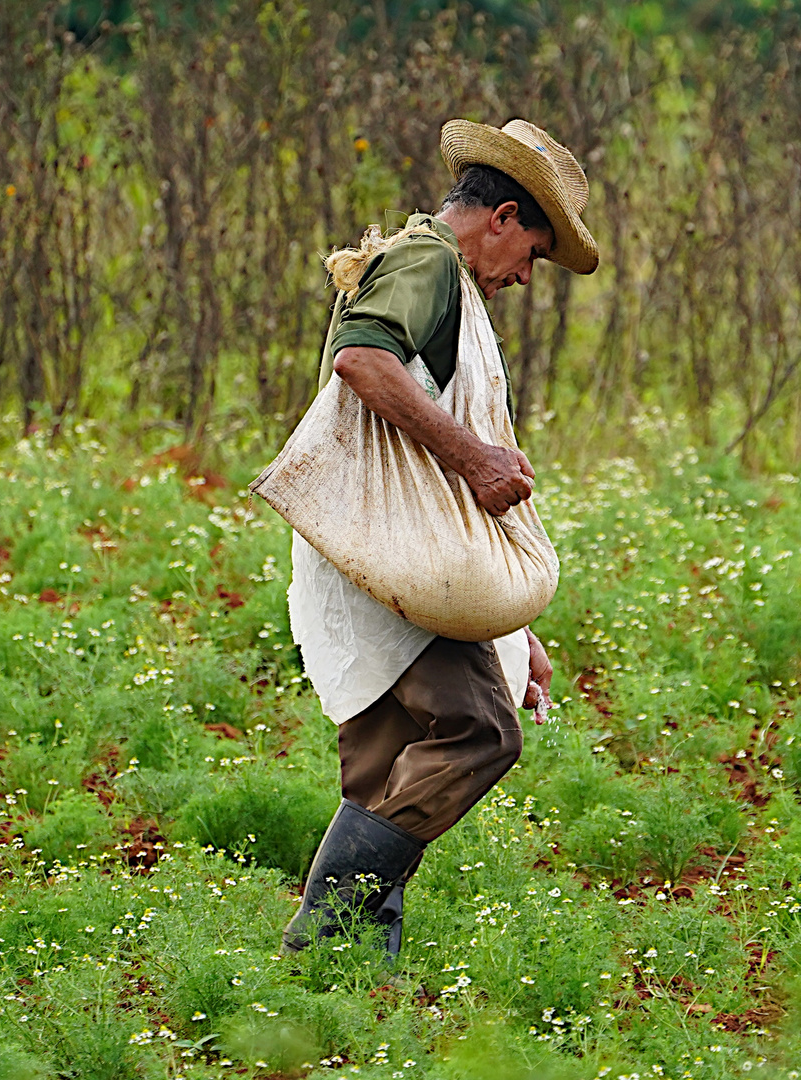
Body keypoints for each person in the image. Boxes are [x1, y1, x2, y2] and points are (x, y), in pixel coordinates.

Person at [280, 119, 599, 959]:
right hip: (390, 559)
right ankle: (325, 933)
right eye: (531, 251)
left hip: (377, 554)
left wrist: (513, 628)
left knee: (385, 765)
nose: (526, 276)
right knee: (481, 733)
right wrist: (475, 457)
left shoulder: (446, 278)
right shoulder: (427, 263)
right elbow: (362, 361)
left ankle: (344, 984)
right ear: (499, 218)